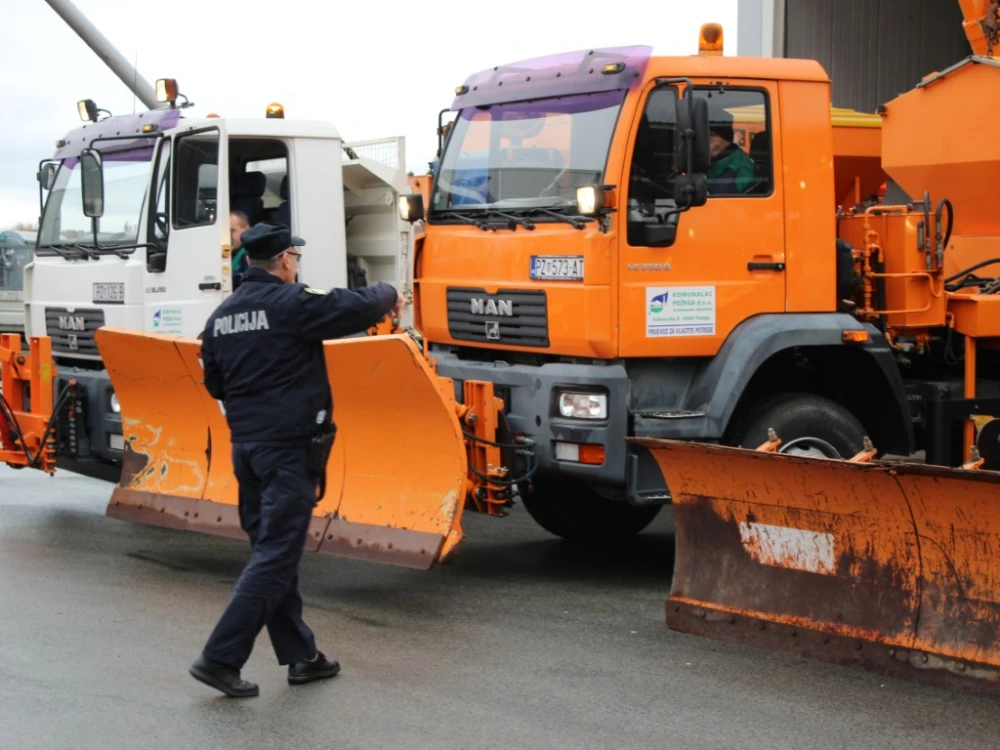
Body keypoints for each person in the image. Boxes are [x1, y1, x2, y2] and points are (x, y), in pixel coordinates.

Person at [190, 221, 403, 698]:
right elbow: (357, 305)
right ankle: (221, 657)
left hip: (246, 450)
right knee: (276, 554)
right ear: (285, 260)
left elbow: (216, 384)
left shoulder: (221, 317)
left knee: (271, 551)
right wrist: (391, 292)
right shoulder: (291, 304)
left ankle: (302, 657)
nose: (297, 265)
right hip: (288, 451)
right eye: (296, 258)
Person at [705, 111, 759, 195]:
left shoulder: (736, 167)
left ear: (721, 138)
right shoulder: (719, 159)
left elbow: (714, 201)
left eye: (710, 135)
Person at [229, 211, 251, 289]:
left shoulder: (248, 253)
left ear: (247, 229)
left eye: (232, 231)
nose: (228, 236)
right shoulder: (230, 253)